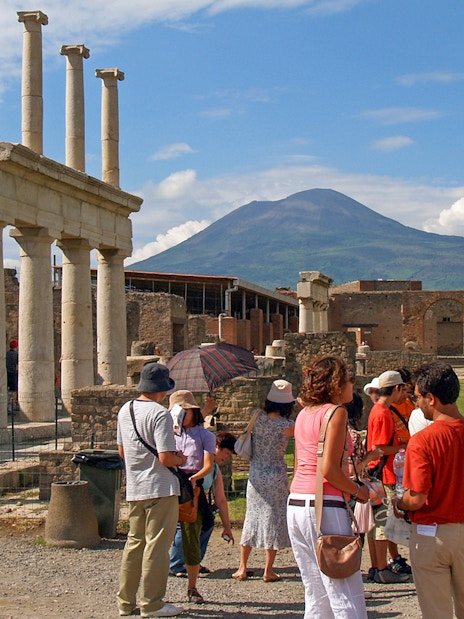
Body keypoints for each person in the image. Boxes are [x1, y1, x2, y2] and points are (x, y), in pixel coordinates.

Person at [287, 355, 370, 618]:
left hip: (297, 502)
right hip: (325, 505)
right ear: (335, 385)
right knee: (345, 590)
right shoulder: (337, 412)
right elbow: (330, 471)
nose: (352, 387)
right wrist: (358, 491)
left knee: (315, 592)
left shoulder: (303, 415)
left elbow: (301, 464)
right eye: (348, 381)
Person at [393, 361, 464, 619]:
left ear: (431, 399)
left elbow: (417, 498)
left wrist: (399, 503)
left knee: (437, 613)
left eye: (418, 397)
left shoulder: (424, 440)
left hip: (432, 533)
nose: (416, 402)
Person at [116, 362, 185, 618]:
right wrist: (181, 459)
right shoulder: (160, 414)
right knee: (157, 547)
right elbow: (167, 457)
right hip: (160, 487)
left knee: (134, 545)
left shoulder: (125, 410)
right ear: (162, 389)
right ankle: (152, 603)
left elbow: (122, 451)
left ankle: (125, 602)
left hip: (136, 487)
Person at [233, 379, 295, 582]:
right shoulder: (287, 426)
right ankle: (268, 570)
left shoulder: (256, 417)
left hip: (256, 472)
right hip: (276, 473)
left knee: (251, 517)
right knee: (274, 519)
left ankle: (242, 566)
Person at [169, 389, 216, 605]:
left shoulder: (205, 435)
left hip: (191, 486)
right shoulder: (170, 433)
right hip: (172, 482)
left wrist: (194, 478)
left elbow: (207, 466)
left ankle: (192, 584)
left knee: (195, 530)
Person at [170, 431, 236, 577]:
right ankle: (176, 564)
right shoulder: (198, 461)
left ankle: (193, 561)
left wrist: (227, 527)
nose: (226, 457)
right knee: (183, 527)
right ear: (216, 446)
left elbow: (221, 500)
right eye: (226, 452)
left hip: (197, 499)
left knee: (207, 524)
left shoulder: (214, 469)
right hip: (182, 497)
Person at [366, 370, 410, 584]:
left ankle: (376, 566)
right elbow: (380, 448)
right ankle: (383, 569)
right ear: (396, 388)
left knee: (375, 523)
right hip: (384, 473)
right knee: (384, 523)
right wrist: (402, 446)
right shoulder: (383, 412)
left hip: (376, 473)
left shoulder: (376, 409)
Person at [6, 339, 18, 406]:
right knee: (13, 391)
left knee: (8, 390)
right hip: (13, 374)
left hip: (7, 373)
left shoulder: (7, 354)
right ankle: (12, 405)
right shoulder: (16, 355)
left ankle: (8, 405)